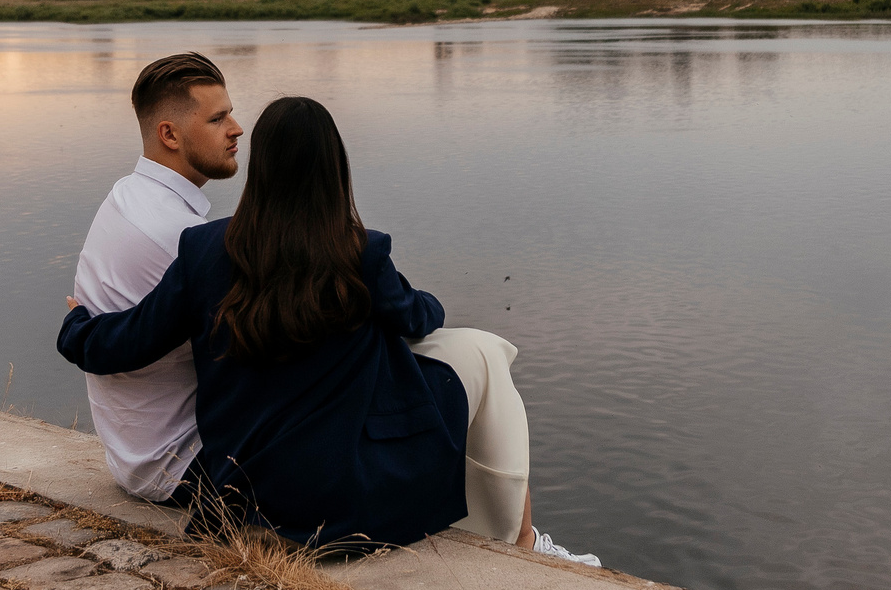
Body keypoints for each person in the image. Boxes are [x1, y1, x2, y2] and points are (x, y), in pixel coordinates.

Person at [58, 95, 596, 562]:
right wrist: (416, 301)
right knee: (481, 355)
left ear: (261, 166)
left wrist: (76, 324)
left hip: (240, 493)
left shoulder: (204, 250)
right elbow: (418, 317)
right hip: (341, 500)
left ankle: (521, 538)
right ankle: (522, 540)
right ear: (333, 167)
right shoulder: (359, 249)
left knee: (464, 360)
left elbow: (126, 343)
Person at [72, 51, 244, 502]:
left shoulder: (127, 195)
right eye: (218, 119)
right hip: (184, 462)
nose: (236, 129)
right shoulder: (177, 234)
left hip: (140, 453)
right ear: (169, 133)